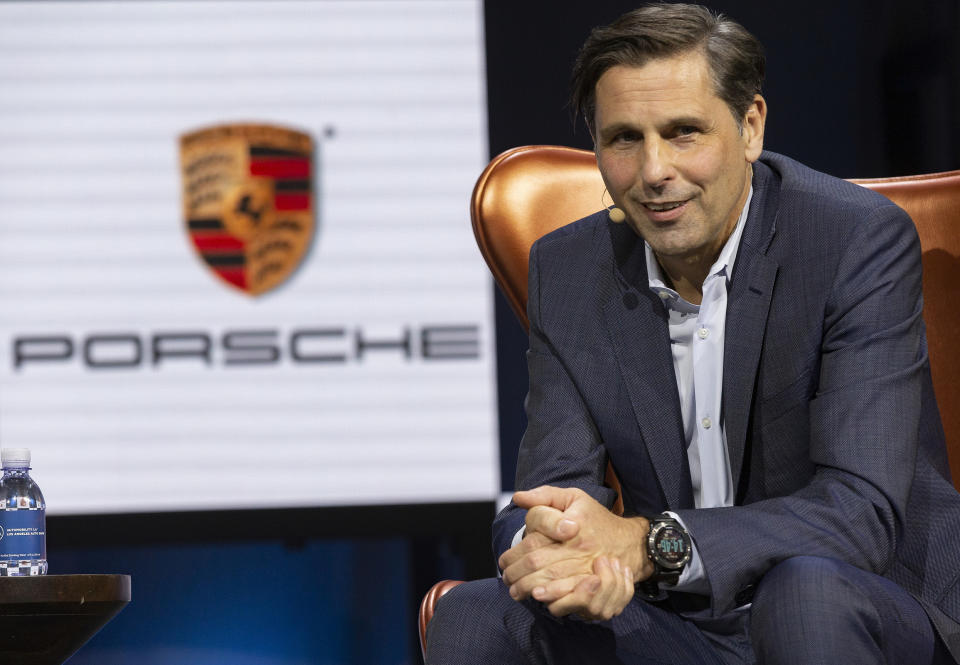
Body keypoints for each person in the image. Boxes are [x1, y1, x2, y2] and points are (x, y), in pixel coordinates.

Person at [426, 4, 960, 664]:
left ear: (750, 127)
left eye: (683, 133)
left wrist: (649, 544)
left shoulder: (854, 241)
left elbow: (860, 515)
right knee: (475, 616)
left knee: (802, 592)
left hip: (861, 602)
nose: (653, 171)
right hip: (682, 621)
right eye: (624, 138)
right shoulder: (569, 270)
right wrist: (546, 544)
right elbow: (556, 488)